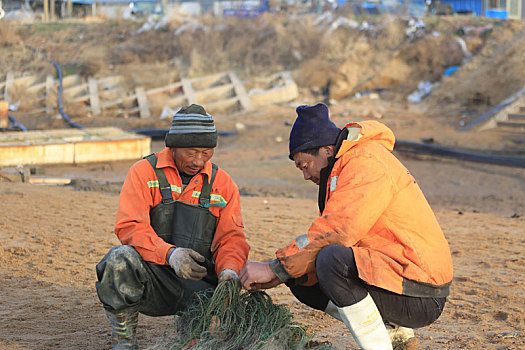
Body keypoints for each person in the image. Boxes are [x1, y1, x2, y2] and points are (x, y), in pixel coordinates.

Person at [240, 103, 453, 350]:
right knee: (302, 277)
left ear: (327, 150)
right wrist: (284, 271)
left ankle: (379, 346)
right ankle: (394, 335)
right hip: (397, 275)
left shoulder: (365, 162)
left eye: (304, 165)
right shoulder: (343, 167)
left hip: (421, 291)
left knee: (331, 261)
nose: (305, 176)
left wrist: (275, 268)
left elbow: (339, 230)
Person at [96, 104, 250, 349]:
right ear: (173, 145)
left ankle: (194, 326)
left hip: (200, 286)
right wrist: (171, 255)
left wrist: (229, 272)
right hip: (155, 279)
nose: (199, 161)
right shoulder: (143, 172)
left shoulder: (223, 183)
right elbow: (130, 227)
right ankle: (124, 340)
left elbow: (231, 238)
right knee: (118, 260)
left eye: (206, 153)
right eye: (191, 152)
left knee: (203, 343)